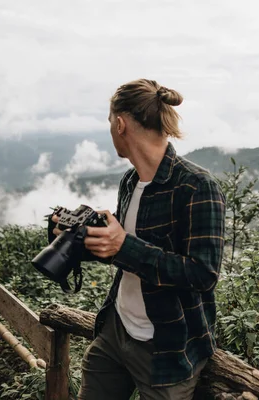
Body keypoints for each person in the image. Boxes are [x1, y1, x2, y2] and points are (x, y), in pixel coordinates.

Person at [51, 79, 226, 399]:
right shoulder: (130, 181)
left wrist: (123, 245)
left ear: (120, 124)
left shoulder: (197, 186)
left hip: (168, 347)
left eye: (108, 123)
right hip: (115, 331)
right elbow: (123, 254)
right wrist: (75, 237)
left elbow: (204, 274)